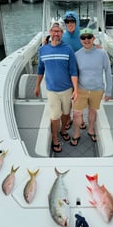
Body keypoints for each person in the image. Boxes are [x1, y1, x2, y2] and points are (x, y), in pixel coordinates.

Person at [34, 21, 78, 153]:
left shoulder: (68, 49)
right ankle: (54, 138)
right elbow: (40, 70)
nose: (56, 33)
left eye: (58, 31)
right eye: (54, 31)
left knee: (66, 114)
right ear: (50, 32)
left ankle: (63, 129)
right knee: (54, 116)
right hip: (52, 90)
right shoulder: (42, 50)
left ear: (62, 33)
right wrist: (37, 86)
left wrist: (75, 89)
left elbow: (73, 71)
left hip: (67, 89)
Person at [70, 28, 112, 146]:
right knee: (77, 113)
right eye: (83, 37)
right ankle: (77, 133)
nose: (86, 40)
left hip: (97, 90)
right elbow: (73, 74)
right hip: (81, 89)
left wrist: (108, 91)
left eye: (89, 37)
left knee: (92, 111)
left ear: (94, 39)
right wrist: (73, 90)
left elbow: (108, 72)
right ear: (80, 40)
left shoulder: (102, 53)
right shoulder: (76, 55)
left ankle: (91, 129)